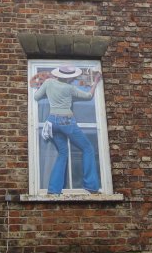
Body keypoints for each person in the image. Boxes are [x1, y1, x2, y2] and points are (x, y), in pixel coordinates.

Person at [34, 65, 101, 194]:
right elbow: (88, 96)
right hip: (66, 121)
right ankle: (91, 186)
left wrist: (49, 92)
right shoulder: (70, 88)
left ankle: (54, 190)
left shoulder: (48, 83)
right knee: (88, 148)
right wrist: (95, 82)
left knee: (63, 153)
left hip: (52, 121)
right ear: (69, 78)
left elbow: (37, 97)